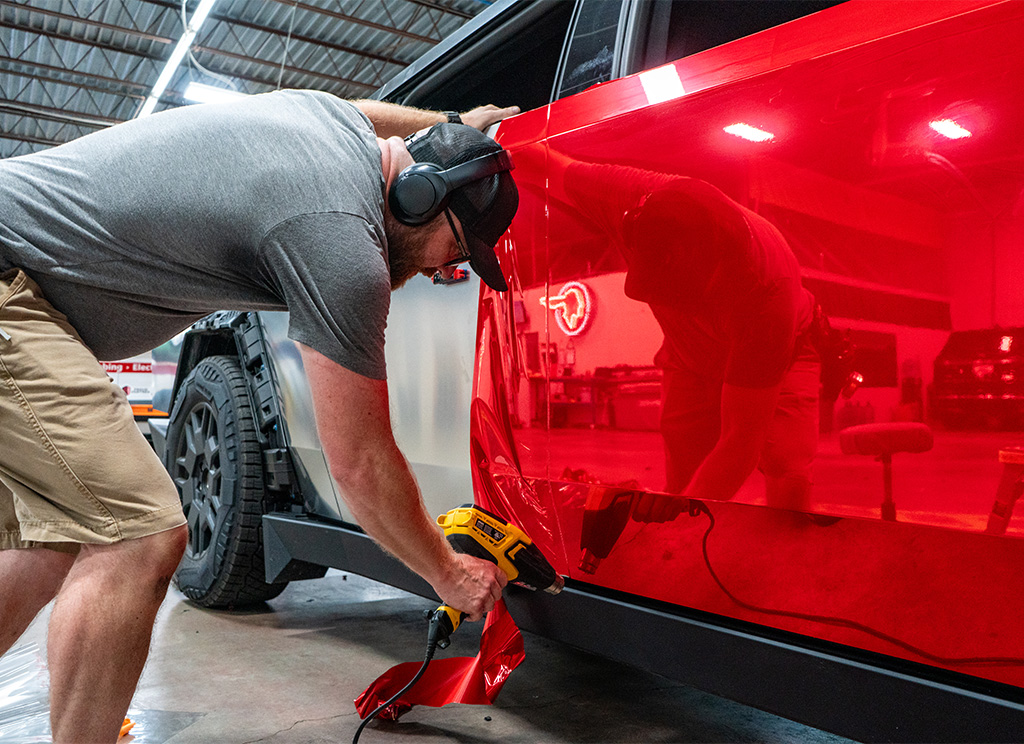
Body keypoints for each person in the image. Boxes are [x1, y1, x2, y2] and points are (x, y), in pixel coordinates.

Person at [0, 90, 519, 743]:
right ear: (419, 196)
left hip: (21, 271)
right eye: (458, 247)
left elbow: (371, 113)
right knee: (140, 536)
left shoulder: (329, 126)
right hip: (10, 283)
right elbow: (359, 462)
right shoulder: (339, 240)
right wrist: (450, 574)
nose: (448, 269)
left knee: (42, 542)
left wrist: (456, 125)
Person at [530, 152, 819, 518]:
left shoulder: (767, 295)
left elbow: (740, 442)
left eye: (677, 292)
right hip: (689, 357)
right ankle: (687, 546)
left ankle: (788, 552)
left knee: (787, 472)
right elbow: (540, 163)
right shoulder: (630, 199)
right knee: (686, 479)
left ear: (718, 272)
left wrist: (674, 514)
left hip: (787, 355)